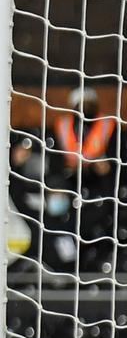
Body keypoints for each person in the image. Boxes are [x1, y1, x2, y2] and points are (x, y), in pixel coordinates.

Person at [51, 87, 120, 274]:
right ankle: (70, 264)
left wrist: (107, 168)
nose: (84, 110)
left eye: (88, 105)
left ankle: (97, 261)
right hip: (72, 187)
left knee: (102, 222)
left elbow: (117, 158)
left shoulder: (110, 126)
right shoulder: (63, 127)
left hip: (102, 188)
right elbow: (54, 161)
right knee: (65, 226)